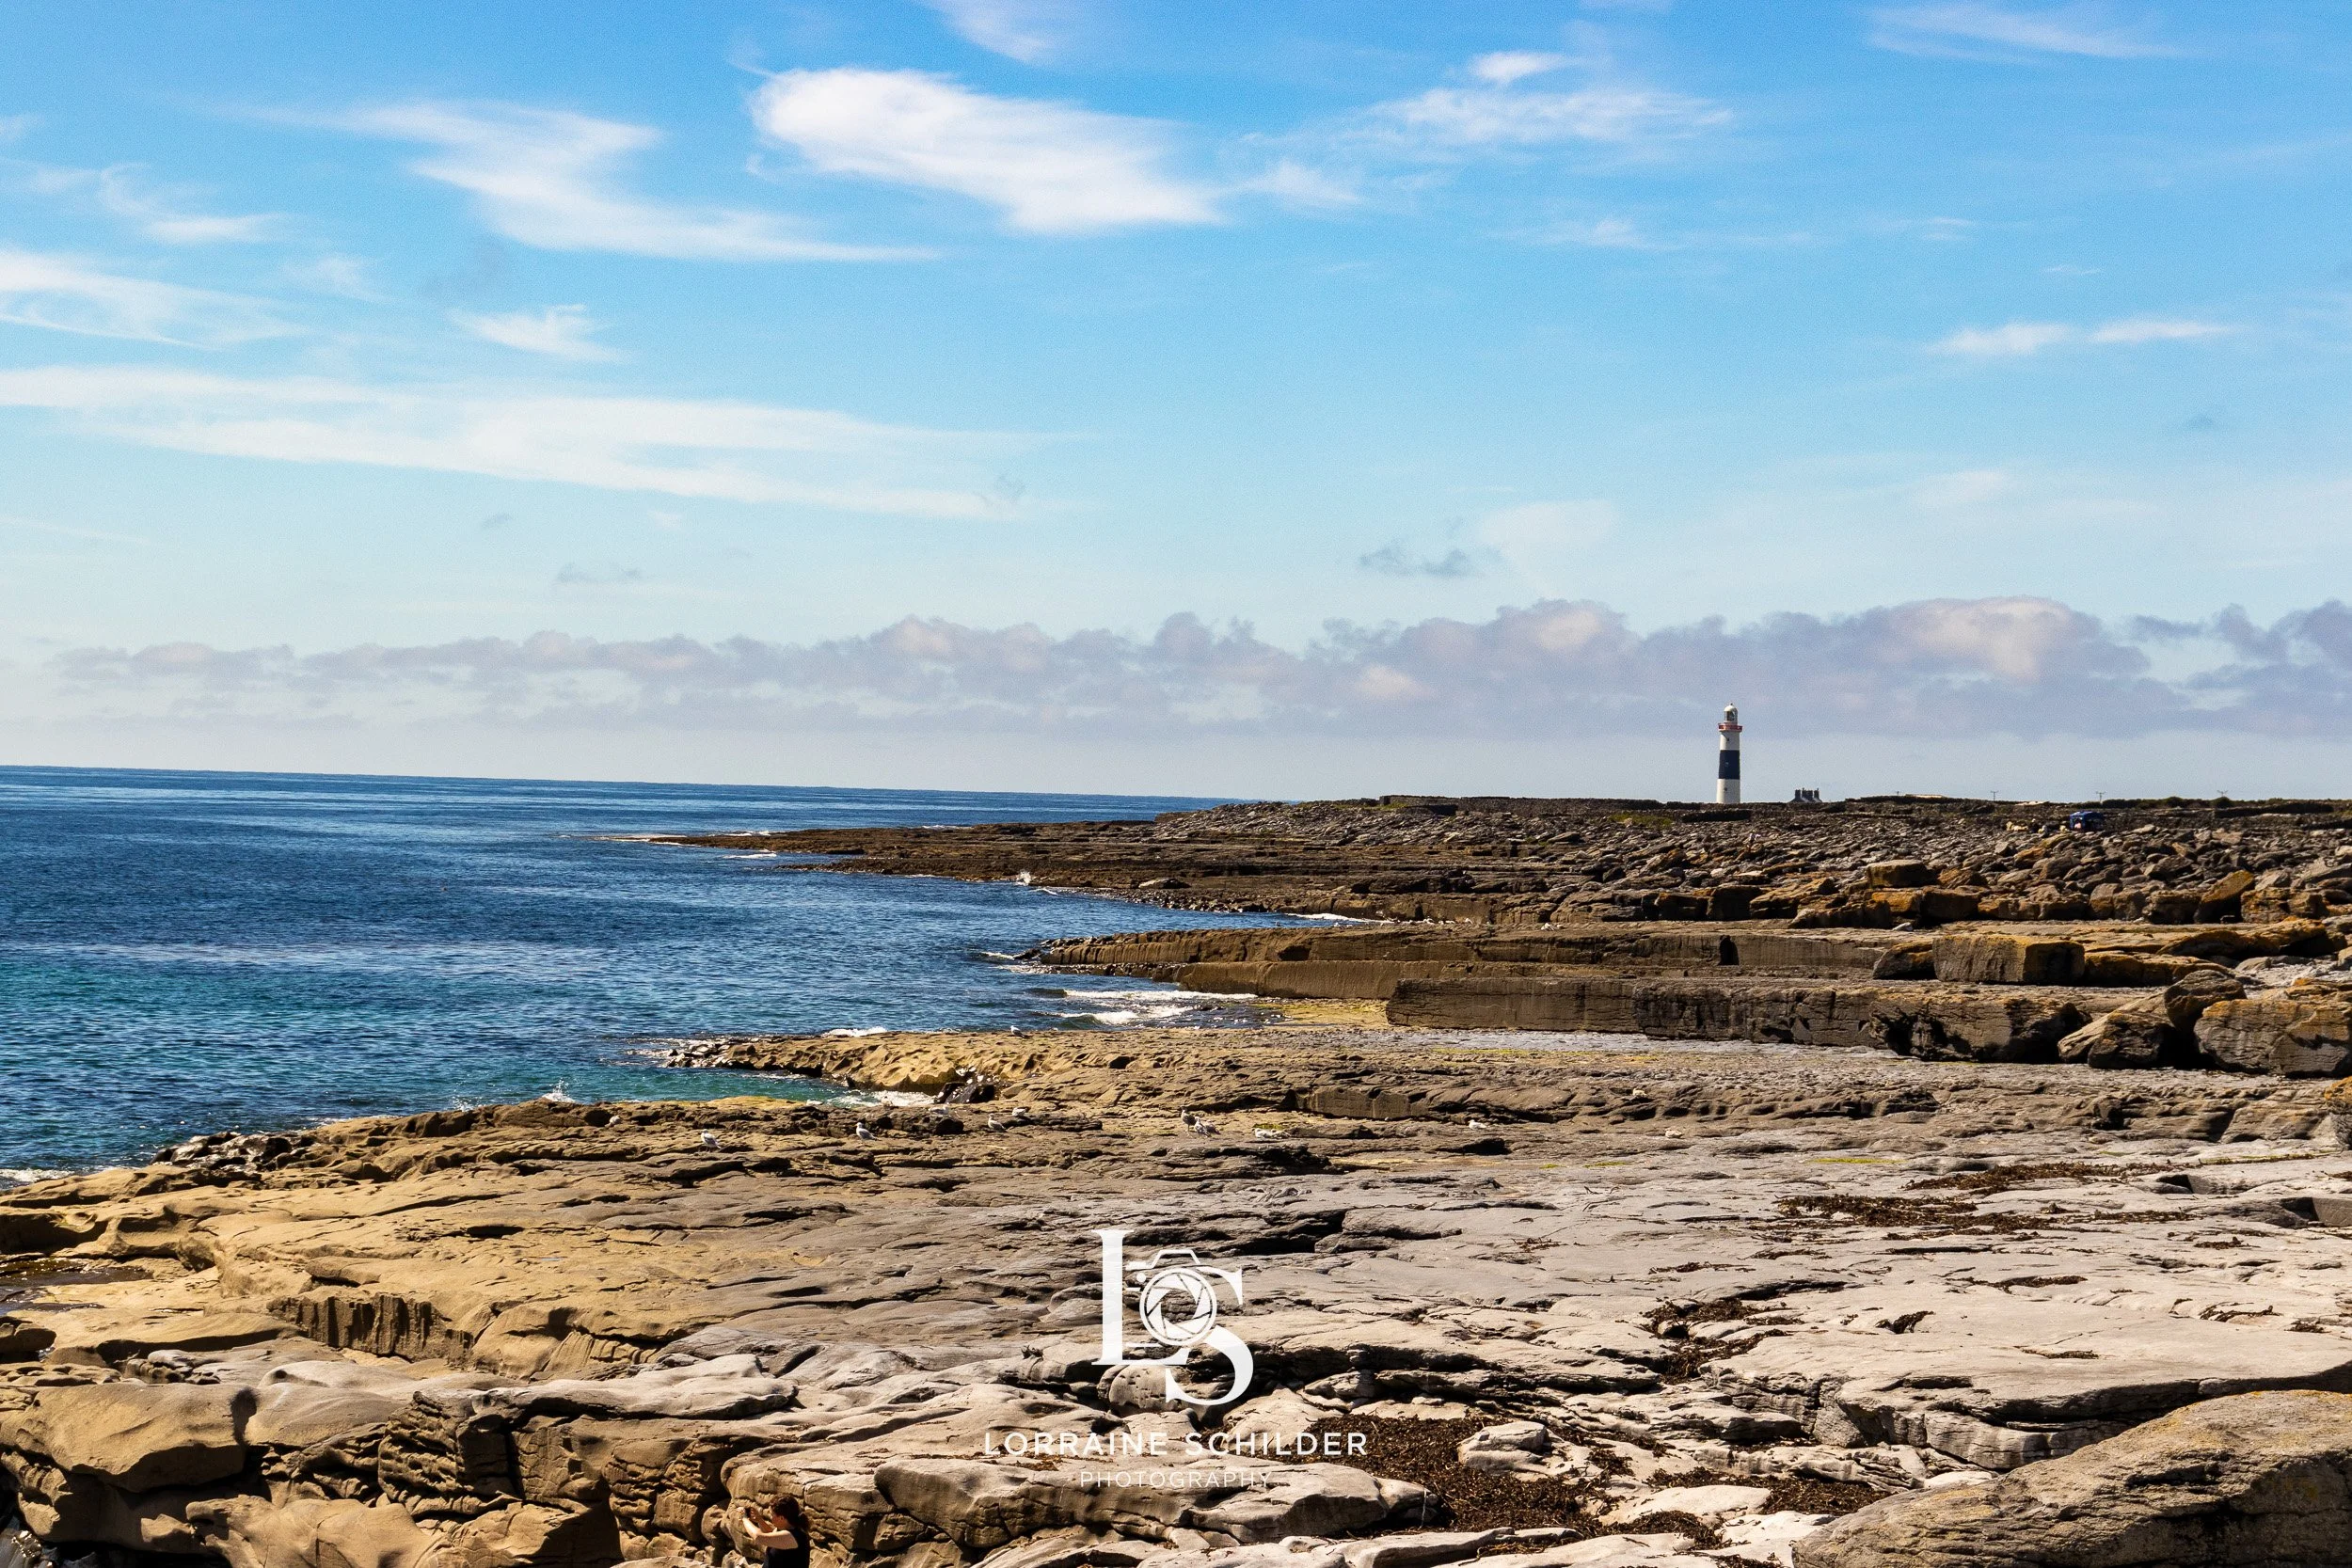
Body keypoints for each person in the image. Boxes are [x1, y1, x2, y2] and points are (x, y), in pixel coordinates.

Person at [734, 1497, 808, 1568]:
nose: (770, 1516)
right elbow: (771, 1534)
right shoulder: (784, 1529)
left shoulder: (794, 1536)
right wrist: (759, 1520)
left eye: (772, 1514)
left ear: (781, 1518)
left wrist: (744, 1518)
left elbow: (758, 1537)